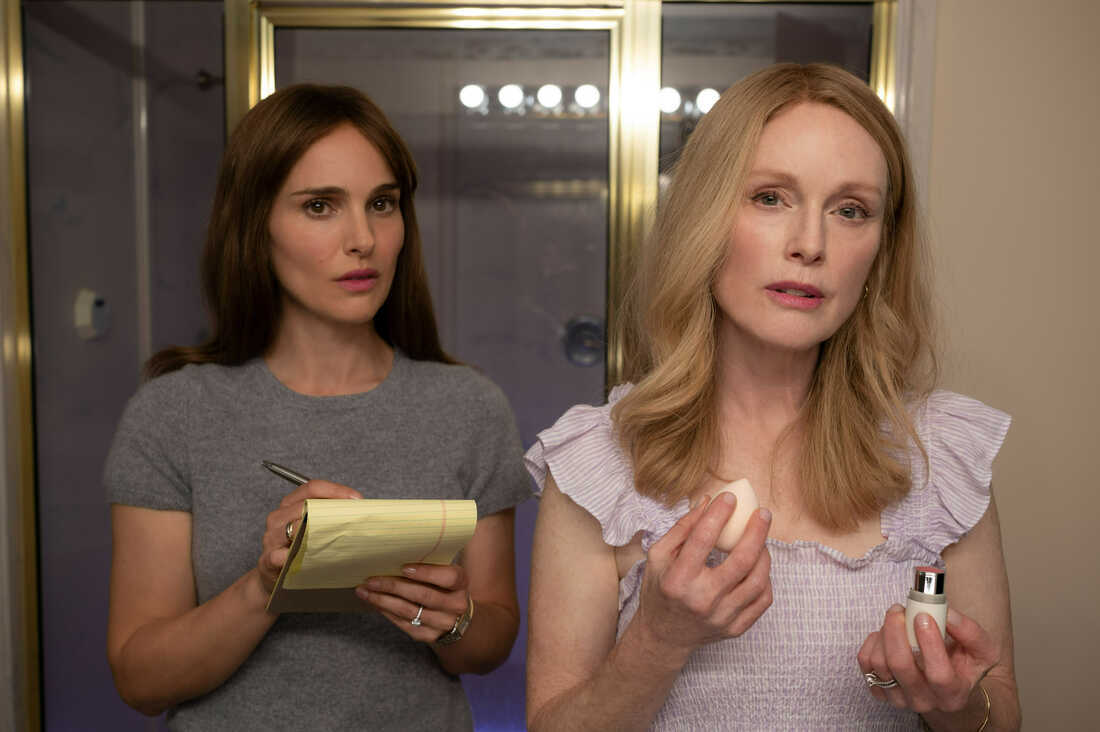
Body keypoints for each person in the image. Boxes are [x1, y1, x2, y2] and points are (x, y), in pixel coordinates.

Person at [525, 63, 1020, 731]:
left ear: (879, 248)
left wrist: (958, 704)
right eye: (769, 198)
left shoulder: (942, 458)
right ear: (706, 218)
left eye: (850, 210)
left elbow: (1001, 718)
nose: (810, 245)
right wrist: (657, 642)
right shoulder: (598, 463)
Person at [105, 84, 531, 730]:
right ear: (255, 226)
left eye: (382, 204)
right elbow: (140, 680)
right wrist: (265, 586)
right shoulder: (173, 414)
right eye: (320, 206)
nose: (363, 238)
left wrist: (451, 619)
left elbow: (490, 643)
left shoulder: (471, 407)